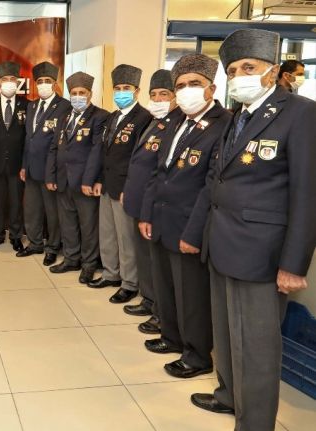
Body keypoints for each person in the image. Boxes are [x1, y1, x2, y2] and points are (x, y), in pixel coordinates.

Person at [191, 29, 316, 431]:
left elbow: (307, 193)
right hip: (222, 244)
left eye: (249, 67)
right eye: (232, 70)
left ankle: (256, 423)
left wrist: (294, 264)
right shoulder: (239, 116)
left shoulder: (300, 113)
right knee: (227, 334)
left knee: (257, 347)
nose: (239, 76)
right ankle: (229, 394)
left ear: (272, 71)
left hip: (261, 253)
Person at [139, 54, 232, 380]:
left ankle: (196, 354)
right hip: (161, 218)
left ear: (212, 88)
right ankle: (171, 336)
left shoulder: (224, 124)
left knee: (191, 293)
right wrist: (147, 213)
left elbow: (211, 186)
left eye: (195, 84)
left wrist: (193, 234)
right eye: (180, 85)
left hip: (190, 223)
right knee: (166, 286)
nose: (186, 91)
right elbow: (158, 172)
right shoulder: (175, 120)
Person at [85, 64, 153, 304]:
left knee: (126, 239)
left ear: (137, 91)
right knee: (108, 234)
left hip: (125, 188)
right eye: (118, 88)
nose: (121, 92)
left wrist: (130, 188)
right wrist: (98, 180)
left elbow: (139, 159)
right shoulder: (113, 116)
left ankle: (129, 283)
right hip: (107, 184)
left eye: (126, 88)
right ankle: (111, 273)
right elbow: (105, 152)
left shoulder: (144, 118)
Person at [121, 69, 181, 334]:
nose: (157, 99)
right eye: (153, 94)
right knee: (145, 257)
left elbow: (160, 172)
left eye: (164, 94)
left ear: (175, 96)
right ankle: (148, 299)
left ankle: (159, 309)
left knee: (157, 264)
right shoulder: (154, 122)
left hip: (156, 204)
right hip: (140, 200)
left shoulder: (177, 125)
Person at [46, 71, 108, 283]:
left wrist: (89, 180)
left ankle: (89, 264)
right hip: (63, 180)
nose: (78, 96)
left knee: (88, 225)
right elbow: (54, 147)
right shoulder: (64, 117)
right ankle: (71, 258)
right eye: (74, 93)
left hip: (84, 183)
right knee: (68, 223)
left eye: (82, 92)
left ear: (90, 94)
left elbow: (98, 151)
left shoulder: (100, 117)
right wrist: (51, 176)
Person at [17, 61, 71, 266]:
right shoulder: (31, 106)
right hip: (31, 168)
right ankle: (35, 243)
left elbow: (61, 143)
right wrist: (24, 165)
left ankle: (52, 247)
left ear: (55, 84)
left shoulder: (64, 106)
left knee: (52, 212)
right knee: (32, 209)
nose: (43, 85)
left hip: (51, 170)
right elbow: (28, 139)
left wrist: (53, 171)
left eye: (47, 81)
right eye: (40, 81)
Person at [0, 61, 28, 252]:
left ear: (18, 82)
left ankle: (16, 236)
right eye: (5, 79)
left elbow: (28, 138)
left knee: (16, 202)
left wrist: (25, 164)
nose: (9, 82)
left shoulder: (27, 105)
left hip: (17, 164)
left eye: (12, 79)